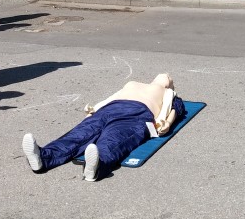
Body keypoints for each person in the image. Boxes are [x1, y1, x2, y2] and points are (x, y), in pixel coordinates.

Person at [21, 73, 186, 182]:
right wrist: (93, 111)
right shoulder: (134, 83)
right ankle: (43, 157)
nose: (166, 76)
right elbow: (113, 96)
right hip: (109, 108)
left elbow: (175, 110)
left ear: (171, 85)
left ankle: (97, 165)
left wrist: (166, 124)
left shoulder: (171, 94)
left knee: (114, 139)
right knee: (79, 134)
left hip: (137, 114)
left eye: (169, 77)